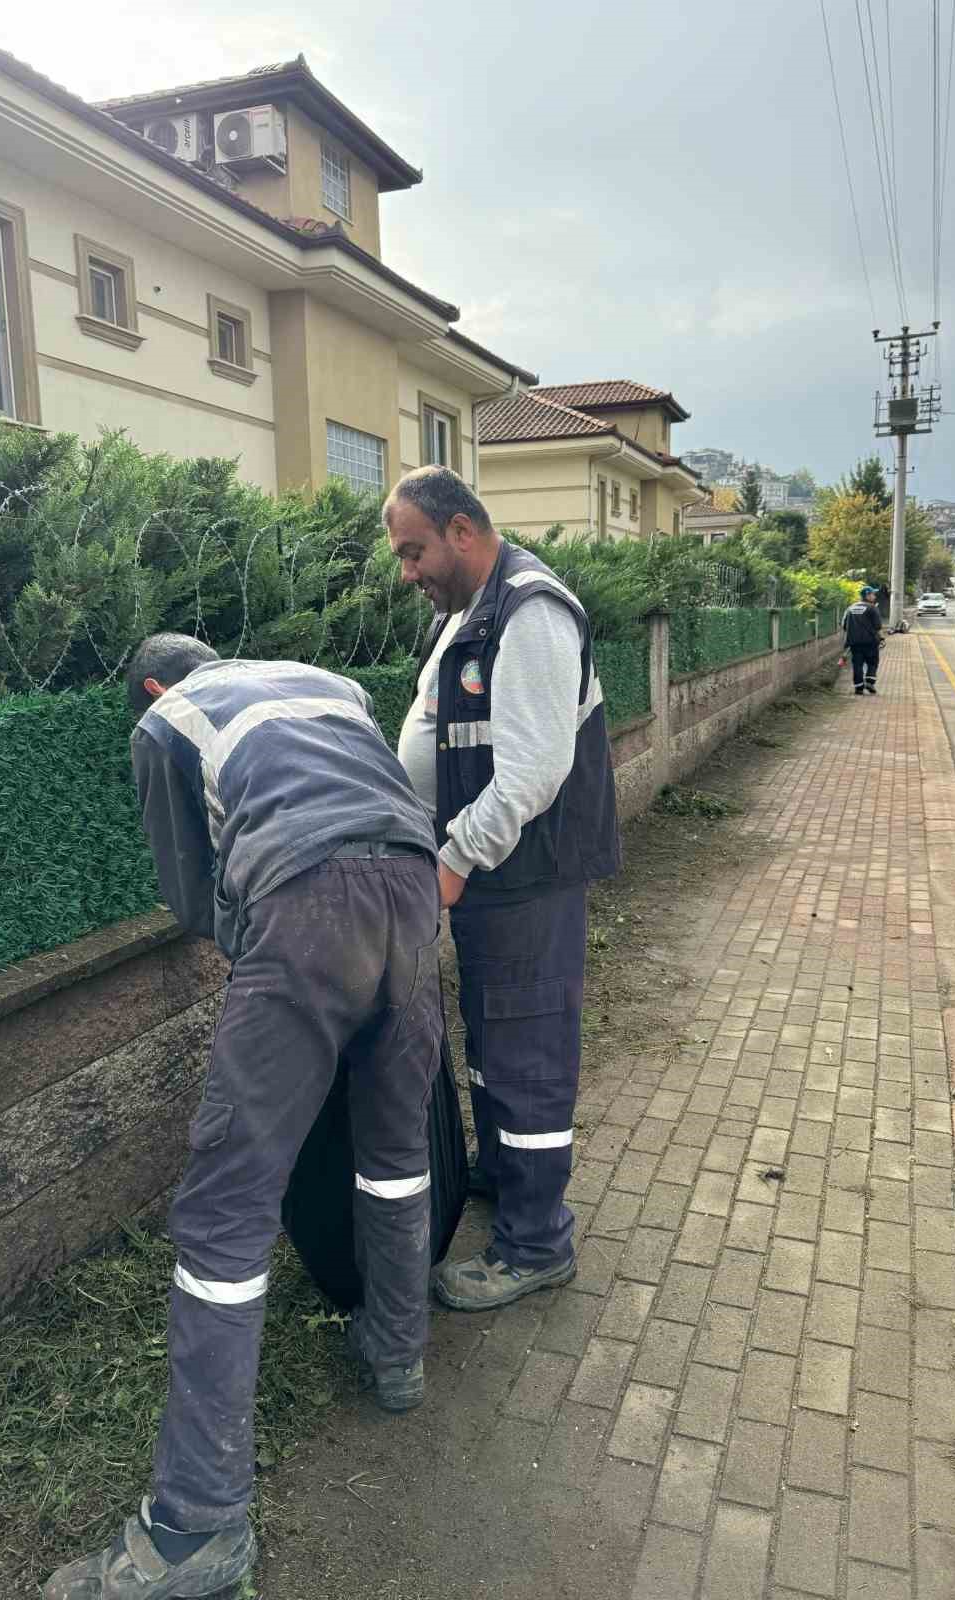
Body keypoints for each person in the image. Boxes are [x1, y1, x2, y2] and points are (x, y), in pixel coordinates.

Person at [46, 636, 441, 1600]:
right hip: (415, 888)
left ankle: (197, 1526)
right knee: (393, 1150)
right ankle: (397, 1354)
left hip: (306, 906)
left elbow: (188, 890)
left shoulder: (165, 720)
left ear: (148, 684)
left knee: (223, 1212)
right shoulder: (327, 683)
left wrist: (265, 960)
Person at [384, 466, 620, 1314]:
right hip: (492, 878)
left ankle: (535, 1243)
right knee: (493, 1040)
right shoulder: (468, 616)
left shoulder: (533, 612)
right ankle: (508, 1175)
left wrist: (451, 860)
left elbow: (532, 773)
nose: (406, 571)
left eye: (414, 552)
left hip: (524, 880)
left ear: (461, 531)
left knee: (527, 1052)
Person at [843, 585, 884, 695]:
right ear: (867, 595)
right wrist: (882, 639)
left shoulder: (850, 608)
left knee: (857, 664)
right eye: (873, 594)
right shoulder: (872, 608)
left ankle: (859, 687)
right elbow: (878, 626)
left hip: (854, 643)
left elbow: (843, 625)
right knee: (872, 662)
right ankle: (870, 682)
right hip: (870, 642)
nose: (874, 596)